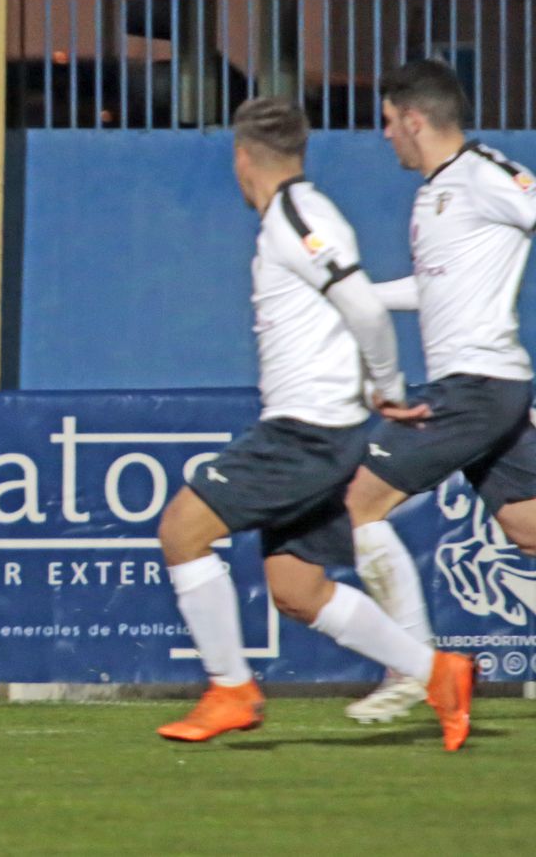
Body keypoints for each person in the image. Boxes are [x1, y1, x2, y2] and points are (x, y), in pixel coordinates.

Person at [154, 97, 473, 751]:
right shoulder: (299, 214)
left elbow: (362, 304)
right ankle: (437, 673)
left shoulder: (295, 218)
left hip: (307, 432)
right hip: (322, 431)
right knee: (298, 591)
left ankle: (230, 689)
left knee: (182, 530)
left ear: (243, 157)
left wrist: (387, 387)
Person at [339, 59, 536, 722]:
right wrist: (353, 296)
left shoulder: (484, 175)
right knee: (526, 528)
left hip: (477, 387)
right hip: (481, 389)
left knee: (360, 503)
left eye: (388, 121)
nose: (384, 134)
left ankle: (413, 668)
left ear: (414, 119)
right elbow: (435, 290)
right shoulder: (438, 192)